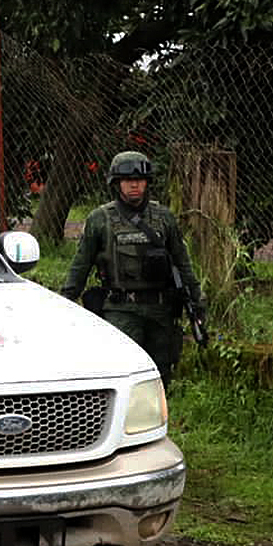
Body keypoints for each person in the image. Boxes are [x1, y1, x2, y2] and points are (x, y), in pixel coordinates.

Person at [59, 150, 204, 385]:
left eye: (139, 180)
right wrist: (66, 302)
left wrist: (197, 303)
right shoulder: (100, 219)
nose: (134, 185)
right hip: (122, 309)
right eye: (128, 181)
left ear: (147, 183)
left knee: (160, 374)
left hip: (161, 310)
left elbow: (182, 262)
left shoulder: (164, 218)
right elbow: (81, 265)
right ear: (117, 184)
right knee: (126, 373)